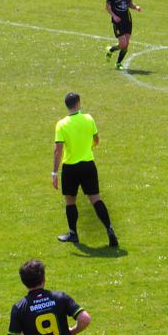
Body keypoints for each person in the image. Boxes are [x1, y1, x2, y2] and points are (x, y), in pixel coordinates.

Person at [53, 92, 118, 247]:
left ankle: (73, 233)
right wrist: (87, 148)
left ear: (67, 105)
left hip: (70, 167)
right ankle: (109, 228)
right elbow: (96, 140)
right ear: (78, 103)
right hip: (88, 165)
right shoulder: (89, 118)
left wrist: (54, 173)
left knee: (70, 201)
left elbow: (58, 150)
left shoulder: (61, 124)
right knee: (95, 198)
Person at [105, 0, 142, 70]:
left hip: (127, 19)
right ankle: (111, 49)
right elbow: (107, 7)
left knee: (126, 45)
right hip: (117, 20)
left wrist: (136, 7)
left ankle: (118, 63)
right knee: (123, 44)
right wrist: (114, 16)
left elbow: (129, 4)